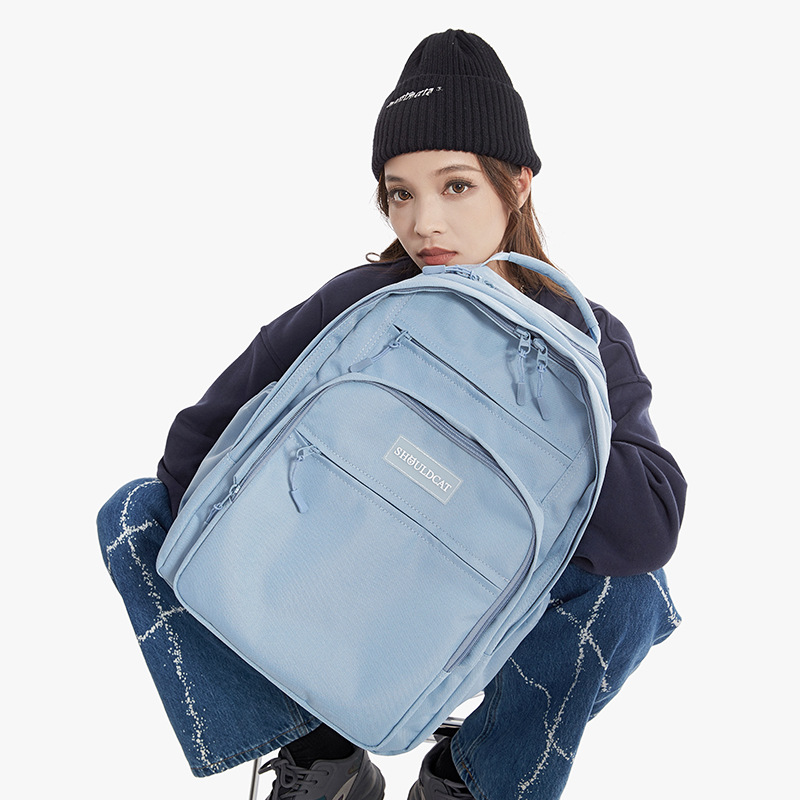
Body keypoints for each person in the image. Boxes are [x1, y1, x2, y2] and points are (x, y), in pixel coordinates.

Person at [98, 29, 687, 800]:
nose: (423, 223)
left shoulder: (583, 340)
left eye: (455, 186)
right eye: (400, 193)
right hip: (336, 585)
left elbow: (647, 533)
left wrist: (523, 386)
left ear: (518, 183)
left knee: (633, 595)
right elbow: (191, 454)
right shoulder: (361, 302)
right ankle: (321, 754)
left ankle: (471, 777)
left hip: (476, 609)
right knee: (134, 518)